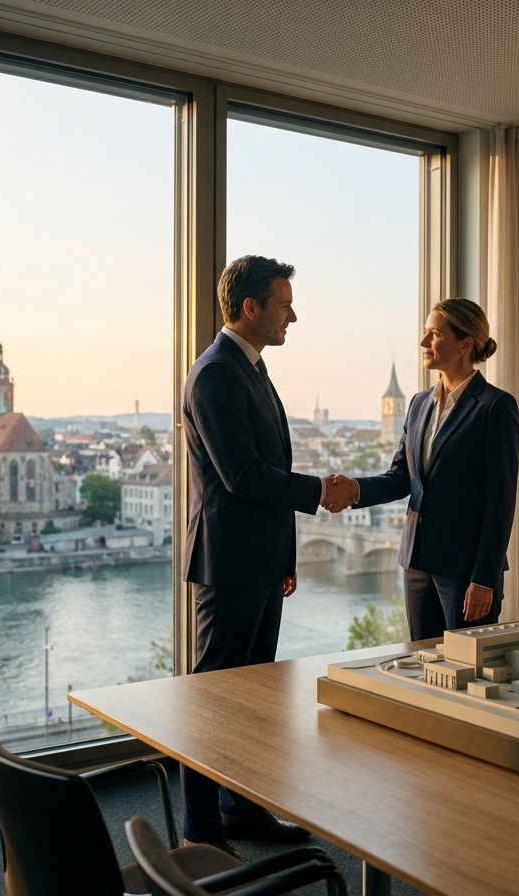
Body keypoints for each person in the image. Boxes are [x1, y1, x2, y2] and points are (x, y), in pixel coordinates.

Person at [180, 255, 354, 855]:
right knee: (212, 700)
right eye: (284, 304)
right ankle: (200, 829)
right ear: (249, 308)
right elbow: (244, 476)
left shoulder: (249, 368)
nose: (293, 315)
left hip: (256, 561)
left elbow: (266, 468)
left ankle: (242, 809)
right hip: (227, 565)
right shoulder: (215, 374)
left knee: (249, 702)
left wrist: (285, 557)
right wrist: (320, 493)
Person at [324, 299, 519, 640]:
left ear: (464, 344)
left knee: (466, 674)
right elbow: (402, 478)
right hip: (416, 563)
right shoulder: (418, 404)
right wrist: (353, 490)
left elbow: (500, 501)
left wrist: (484, 578)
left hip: (465, 571)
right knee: (422, 668)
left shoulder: (495, 407)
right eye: (424, 333)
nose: (423, 343)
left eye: (433, 334)